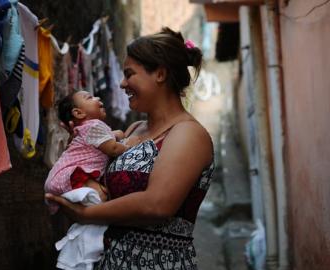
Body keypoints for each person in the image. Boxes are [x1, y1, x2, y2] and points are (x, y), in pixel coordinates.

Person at [46, 27, 215, 269]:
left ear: (160, 74)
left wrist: (85, 215)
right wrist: (83, 148)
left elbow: (158, 204)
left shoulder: (188, 134)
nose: (122, 83)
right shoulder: (135, 129)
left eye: (129, 74)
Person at [45, 90, 138, 270]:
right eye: (90, 98)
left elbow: (109, 136)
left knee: (96, 208)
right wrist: (129, 145)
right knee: (101, 200)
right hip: (71, 175)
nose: (97, 98)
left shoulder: (91, 128)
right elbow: (111, 148)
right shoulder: (94, 126)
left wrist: (117, 134)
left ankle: (83, 251)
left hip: (66, 177)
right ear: (79, 113)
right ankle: (87, 252)